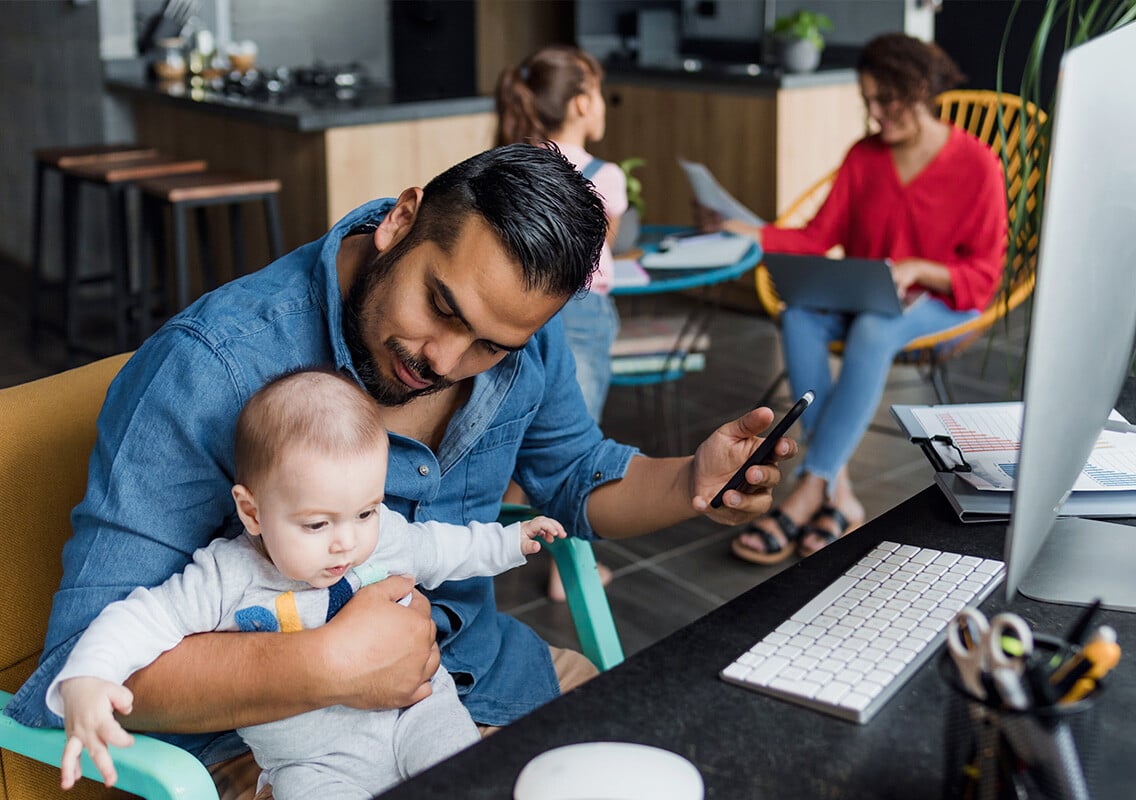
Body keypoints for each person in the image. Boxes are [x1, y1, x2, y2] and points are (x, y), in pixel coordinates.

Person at [5, 143, 794, 799]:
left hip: (487, 682)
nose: (446, 362)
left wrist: (695, 478)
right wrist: (328, 664)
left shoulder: (522, 338)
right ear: (402, 219)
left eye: (490, 345)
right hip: (280, 752)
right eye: (442, 308)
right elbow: (75, 665)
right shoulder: (210, 371)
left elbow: (580, 476)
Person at [50, 369, 568, 797]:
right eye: (317, 524)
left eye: (365, 510)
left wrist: (508, 541)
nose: (346, 542)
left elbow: (441, 547)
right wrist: (89, 678)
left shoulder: (381, 536)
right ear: (252, 512)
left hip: (419, 714)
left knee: (473, 781)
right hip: (313, 763)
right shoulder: (227, 577)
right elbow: (142, 618)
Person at [716, 33, 1008, 565]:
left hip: (948, 302)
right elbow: (815, 236)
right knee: (799, 312)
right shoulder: (865, 156)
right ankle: (839, 496)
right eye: (868, 101)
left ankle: (810, 489)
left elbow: (984, 275)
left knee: (874, 326)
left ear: (919, 89)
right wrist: (752, 233)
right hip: (872, 297)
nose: (875, 115)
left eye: (885, 101)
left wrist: (920, 268)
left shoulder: (977, 164)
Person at [493, 44, 627, 601]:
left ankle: (488, 543)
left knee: (513, 426)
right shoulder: (605, 175)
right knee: (573, 449)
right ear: (579, 103)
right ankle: (565, 570)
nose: (602, 105)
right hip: (584, 314)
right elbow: (597, 252)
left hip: (520, 311)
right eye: (597, 93)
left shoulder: (513, 165)